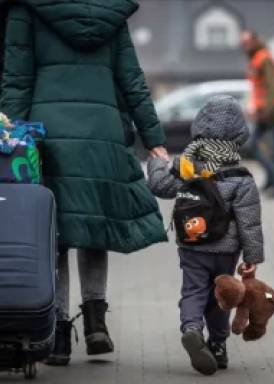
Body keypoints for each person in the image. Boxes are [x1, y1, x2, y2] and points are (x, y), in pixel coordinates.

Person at [0, 0, 169, 365]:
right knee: (94, 225)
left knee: (52, 233)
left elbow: (16, 79)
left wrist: (9, 139)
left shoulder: (27, 9)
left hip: (48, 136)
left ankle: (58, 333)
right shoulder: (110, 11)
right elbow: (131, 79)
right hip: (101, 134)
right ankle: (96, 324)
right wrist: (153, 138)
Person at [147, 95, 264, 375]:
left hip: (192, 246)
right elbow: (249, 221)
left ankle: (191, 329)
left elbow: (159, 186)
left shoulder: (187, 166)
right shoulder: (241, 176)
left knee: (193, 291)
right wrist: (252, 257)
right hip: (226, 251)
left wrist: (157, 161)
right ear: (239, 133)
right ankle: (219, 346)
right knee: (221, 296)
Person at [240, 30, 274, 198]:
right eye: (243, 42)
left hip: (272, 109)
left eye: (247, 41)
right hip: (263, 109)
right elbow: (257, 88)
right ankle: (273, 179)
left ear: (255, 40)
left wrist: (267, 110)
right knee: (254, 146)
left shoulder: (264, 58)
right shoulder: (256, 59)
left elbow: (272, 87)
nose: (245, 45)